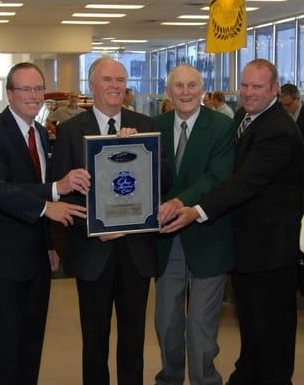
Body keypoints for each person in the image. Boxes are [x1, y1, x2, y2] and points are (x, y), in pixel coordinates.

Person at [160, 59, 304, 385]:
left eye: (257, 87)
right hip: (245, 246)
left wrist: (196, 210)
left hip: (271, 250)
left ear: (274, 90)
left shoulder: (278, 130)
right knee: (252, 325)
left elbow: (245, 182)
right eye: (245, 85)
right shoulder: (244, 117)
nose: (249, 93)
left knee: (273, 330)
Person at [51, 56, 170, 385]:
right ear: (91, 86)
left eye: (120, 79)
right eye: (107, 80)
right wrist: (93, 223)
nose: (115, 86)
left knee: (133, 341)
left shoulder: (145, 125)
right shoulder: (71, 131)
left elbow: (163, 183)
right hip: (93, 252)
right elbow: (62, 193)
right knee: (94, 340)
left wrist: (136, 151)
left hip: (136, 252)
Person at [0, 62, 90, 385]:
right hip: (3, 260)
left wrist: (49, 244)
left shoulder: (39, 131)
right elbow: (0, 189)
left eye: (38, 88)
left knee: (31, 342)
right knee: (5, 346)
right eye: (25, 89)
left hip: (36, 257)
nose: (33, 95)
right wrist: (55, 191)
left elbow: (39, 197)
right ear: (9, 94)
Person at [154, 64, 235, 385]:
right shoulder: (154, 126)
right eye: (179, 86)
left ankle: (205, 380)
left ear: (203, 90)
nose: (185, 92)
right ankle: (170, 378)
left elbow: (217, 176)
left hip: (208, 238)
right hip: (167, 240)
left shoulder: (222, 126)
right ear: (168, 91)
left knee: (200, 326)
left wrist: (180, 202)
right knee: (167, 322)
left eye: (192, 85)